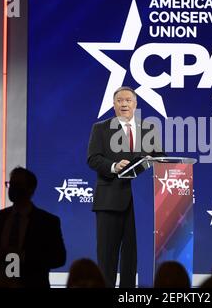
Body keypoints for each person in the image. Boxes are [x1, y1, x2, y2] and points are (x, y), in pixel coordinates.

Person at [87, 86, 165, 288]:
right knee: (107, 256)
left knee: (132, 256)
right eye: (119, 100)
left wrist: (156, 161)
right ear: (113, 105)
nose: (124, 104)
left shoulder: (148, 129)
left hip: (141, 205)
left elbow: (161, 159)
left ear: (135, 104)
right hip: (109, 201)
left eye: (128, 100)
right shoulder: (101, 128)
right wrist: (113, 166)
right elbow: (93, 159)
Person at [0, 167, 66, 287]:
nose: (12, 188)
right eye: (10, 184)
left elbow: (58, 258)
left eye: (18, 184)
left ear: (31, 189)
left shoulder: (48, 222)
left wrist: (22, 256)